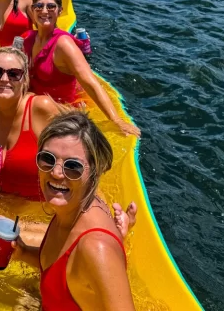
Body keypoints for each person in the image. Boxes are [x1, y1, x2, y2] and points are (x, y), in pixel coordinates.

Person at [8, 110, 135, 311]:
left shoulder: (95, 248)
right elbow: (63, 269)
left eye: (73, 166)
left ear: (94, 173)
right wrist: (23, 252)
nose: (56, 173)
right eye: (47, 159)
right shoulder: (69, 208)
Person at [24, 0, 141, 137]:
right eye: (39, 6)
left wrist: (116, 120)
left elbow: (90, 82)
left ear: (60, 11)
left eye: (51, 6)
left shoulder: (63, 44)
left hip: (61, 111)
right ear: (32, 10)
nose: (44, 11)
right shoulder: (28, 39)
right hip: (35, 105)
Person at [0, 47, 60, 200]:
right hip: (3, 202)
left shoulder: (40, 108)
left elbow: (76, 162)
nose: (4, 79)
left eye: (14, 74)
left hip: (41, 208)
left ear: (25, 79)